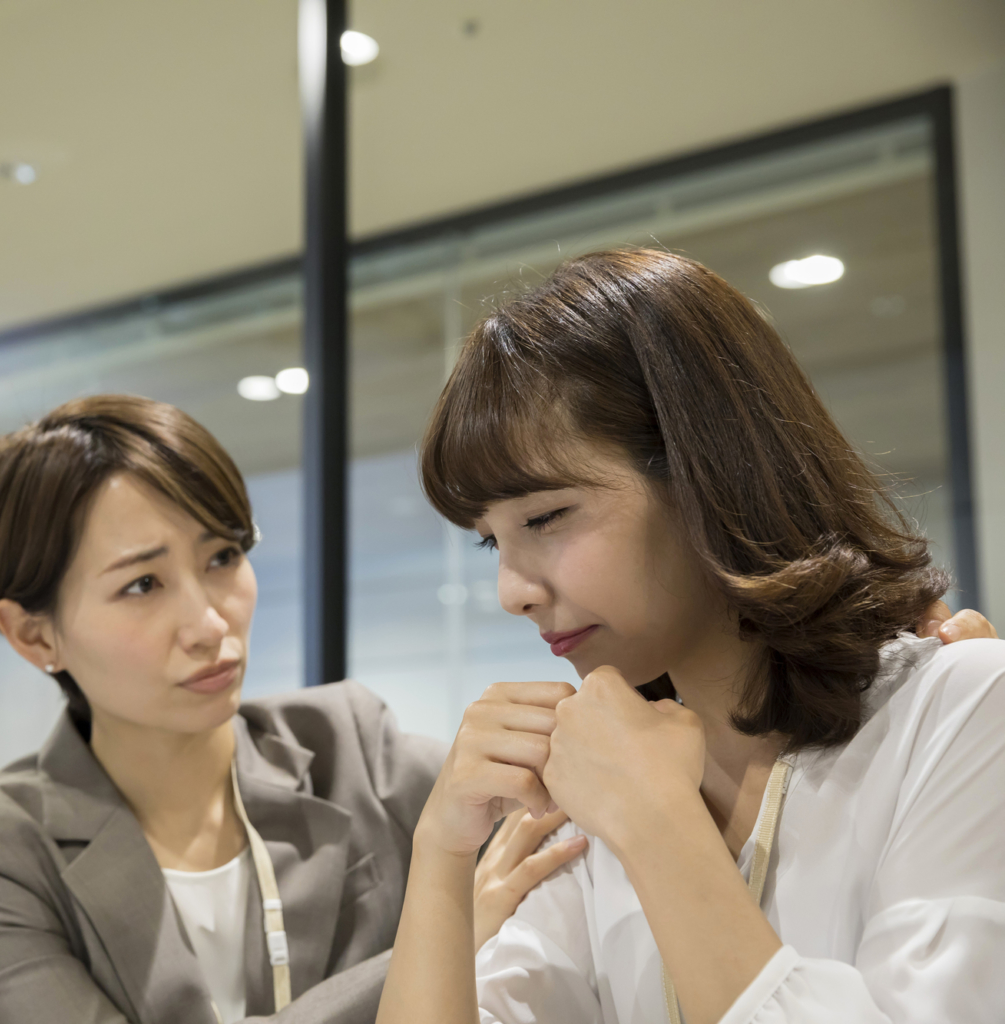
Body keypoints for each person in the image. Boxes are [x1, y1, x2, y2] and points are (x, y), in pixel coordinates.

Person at [377, 249, 1005, 1024]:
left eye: (545, 518)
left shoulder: (961, 707)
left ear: (707, 470)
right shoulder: (592, 785)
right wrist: (438, 854)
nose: (512, 591)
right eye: (489, 541)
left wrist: (653, 822)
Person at [0, 395, 593, 1024]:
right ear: (34, 634)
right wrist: (446, 932)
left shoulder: (352, 747)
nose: (211, 621)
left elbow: (558, 860)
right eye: (142, 584)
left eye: (223, 555)